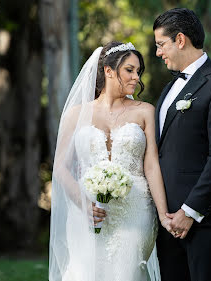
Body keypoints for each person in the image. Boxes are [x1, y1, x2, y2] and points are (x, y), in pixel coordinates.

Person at [49, 41, 173, 281]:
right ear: (108, 70)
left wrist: (163, 213)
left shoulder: (145, 111)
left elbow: (151, 165)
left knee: (126, 272)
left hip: (135, 210)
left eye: (138, 71)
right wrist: (82, 202)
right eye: (129, 70)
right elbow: (60, 168)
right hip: (87, 210)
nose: (136, 77)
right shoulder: (76, 114)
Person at [153, 8, 211, 281]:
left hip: (204, 217)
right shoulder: (169, 89)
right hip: (166, 220)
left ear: (180, 40)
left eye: (161, 45)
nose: (158, 53)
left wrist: (190, 211)